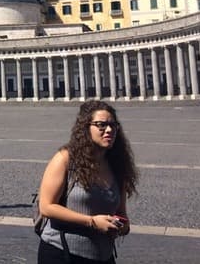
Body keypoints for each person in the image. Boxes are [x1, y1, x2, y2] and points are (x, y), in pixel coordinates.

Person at [36, 100, 137, 264]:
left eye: (113, 125)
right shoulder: (65, 159)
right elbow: (46, 206)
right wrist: (91, 222)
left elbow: (121, 213)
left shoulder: (118, 167)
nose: (109, 130)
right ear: (86, 127)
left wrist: (122, 227)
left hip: (103, 256)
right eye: (101, 125)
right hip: (63, 252)